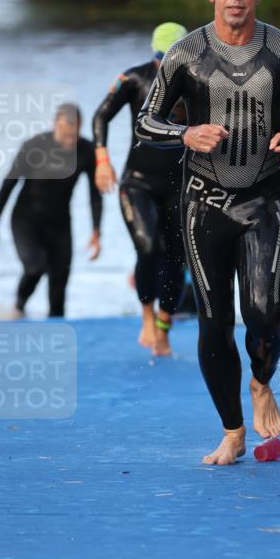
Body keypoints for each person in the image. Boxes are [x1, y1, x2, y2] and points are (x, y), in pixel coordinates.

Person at [136, 0, 280, 464]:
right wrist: (185, 133)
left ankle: (262, 380)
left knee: (264, 312)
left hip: (263, 200)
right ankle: (232, 430)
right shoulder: (185, 54)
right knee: (213, 320)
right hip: (203, 204)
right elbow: (145, 121)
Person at [93, 22, 189, 355]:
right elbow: (101, 117)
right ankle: (147, 314)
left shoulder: (199, 82)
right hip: (137, 184)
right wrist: (102, 160)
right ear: (154, 55)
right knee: (148, 247)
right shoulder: (134, 79)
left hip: (181, 185)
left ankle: (164, 325)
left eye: (176, 59)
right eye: (163, 58)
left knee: (177, 259)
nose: (169, 66)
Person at [0, 103, 102, 318]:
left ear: (81, 127)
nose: (69, 141)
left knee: (59, 285)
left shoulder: (86, 151)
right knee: (34, 268)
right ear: (55, 124)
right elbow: (8, 184)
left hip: (60, 224)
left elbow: (94, 194)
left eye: (73, 135)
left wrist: (96, 230)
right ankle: (19, 307)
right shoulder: (34, 146)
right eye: (65, 134)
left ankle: (56, 336)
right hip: (25, 220)